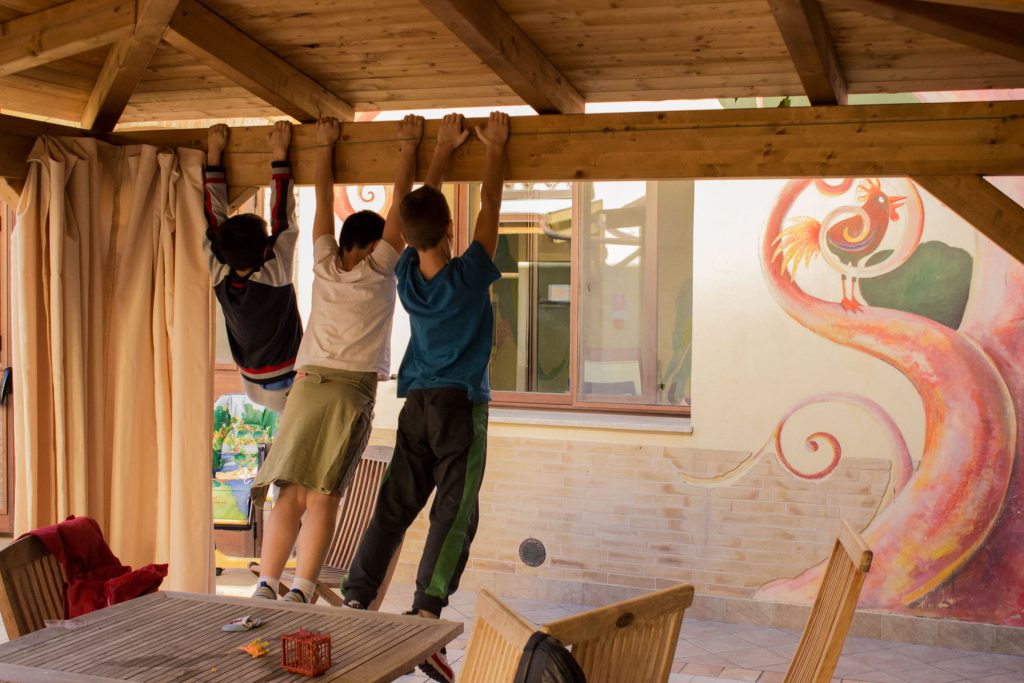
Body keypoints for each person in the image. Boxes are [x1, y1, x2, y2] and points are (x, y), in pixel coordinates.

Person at [342, 112, 510, 683]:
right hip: (460, 407)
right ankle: (425, 613)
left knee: (394, 505)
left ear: (411, 238)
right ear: (450, 230)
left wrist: (440, 150)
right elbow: (490, 204)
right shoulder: (468, 276)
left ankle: (357, 596)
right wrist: (495, 147)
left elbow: (423, 208)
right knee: (455, 512)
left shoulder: (408, 275)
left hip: (415, 408)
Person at [248, 113, 428, 604]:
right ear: (372, 246)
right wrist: (409, 146)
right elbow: (401, 204)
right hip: (349, 393)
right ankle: (303, 588)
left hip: (305, 388)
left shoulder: (325, 264)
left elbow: (323, 204)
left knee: (290, 491)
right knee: (323, 493)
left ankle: (267, 583)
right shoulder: (381, 267)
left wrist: (325, 145)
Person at [205, 122, 303, 414]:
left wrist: (214, 153)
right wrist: (280, 152)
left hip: (252, 377)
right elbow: (282, 215)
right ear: (265, 249)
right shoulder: (272, 275)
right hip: (283, 382)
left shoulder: (221, 274)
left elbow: (214, 219)